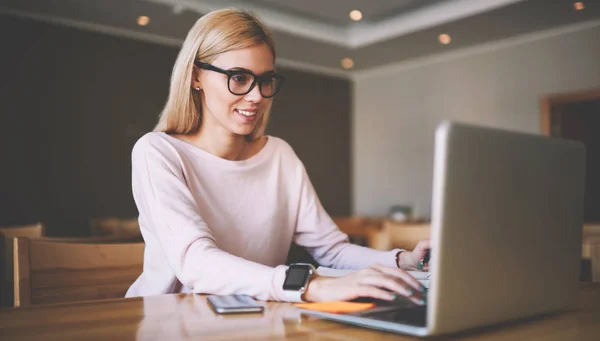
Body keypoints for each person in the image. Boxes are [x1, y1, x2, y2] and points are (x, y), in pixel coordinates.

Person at [125, 8, 430, 304]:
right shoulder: (158, 152)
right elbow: (195, 263)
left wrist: (405, 261)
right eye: (239, 77)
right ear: (196, 77)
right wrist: (310, 286)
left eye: (265, 79)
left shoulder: (279, 155)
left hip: (253, 319)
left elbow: (332, 251)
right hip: (168, 322)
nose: (256, 95)